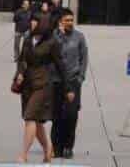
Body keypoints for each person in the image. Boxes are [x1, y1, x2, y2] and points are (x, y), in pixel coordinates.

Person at [46, 8, 88, 156]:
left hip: (73, 81)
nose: (70, 23)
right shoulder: (54, 37)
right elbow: (50, 55)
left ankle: (68, 147)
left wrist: (81, 78)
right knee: (56, 116)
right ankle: (56, 148)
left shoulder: (79, 37)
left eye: (71, 20)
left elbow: (84, 58)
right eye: (67, 20)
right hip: (57, 81)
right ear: (60, 22)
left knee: (71, 115)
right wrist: (60, 36)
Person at [17, 12, 57, 163]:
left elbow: (60, 64)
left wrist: (69, 87)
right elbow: (21, 60)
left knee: (30, 117)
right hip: (27, 85)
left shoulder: (52, 42)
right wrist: (20, 73)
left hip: (43, 85)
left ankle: (23, 154)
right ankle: (47, 148)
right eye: (32, 20)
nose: (32, 23)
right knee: (38, 121)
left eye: (36, 20)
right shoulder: (28, 39)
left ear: (43, 23)